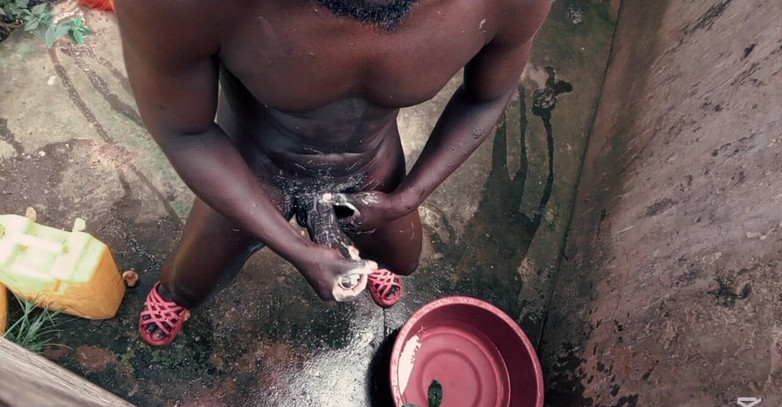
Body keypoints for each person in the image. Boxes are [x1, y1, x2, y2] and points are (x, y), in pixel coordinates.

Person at [114, 0, 552, 346]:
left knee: (404, 260)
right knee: (193, 279)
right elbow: (185, 132)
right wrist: (295, 249)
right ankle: (176, 297)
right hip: (256, 165)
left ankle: (367, 257)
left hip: (369, 160)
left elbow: (486, 98)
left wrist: (404, 199)